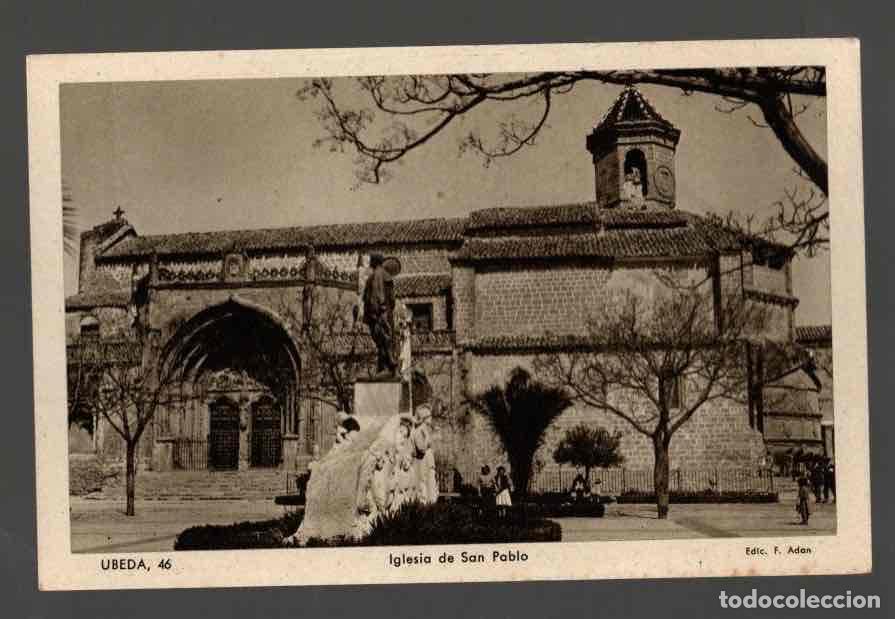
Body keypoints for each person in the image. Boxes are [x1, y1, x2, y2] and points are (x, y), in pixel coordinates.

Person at [362, 253, 397, 378]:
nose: (369, 263)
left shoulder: (376, 275)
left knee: (382, 340)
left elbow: (376, 296)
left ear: (375, 262)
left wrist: (375, 312)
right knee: (386, 338)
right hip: (387, 312)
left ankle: (388, 366)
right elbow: (392, 299)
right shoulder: (387, 276)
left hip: (379, 314)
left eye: (371, 261)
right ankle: (384, 368)